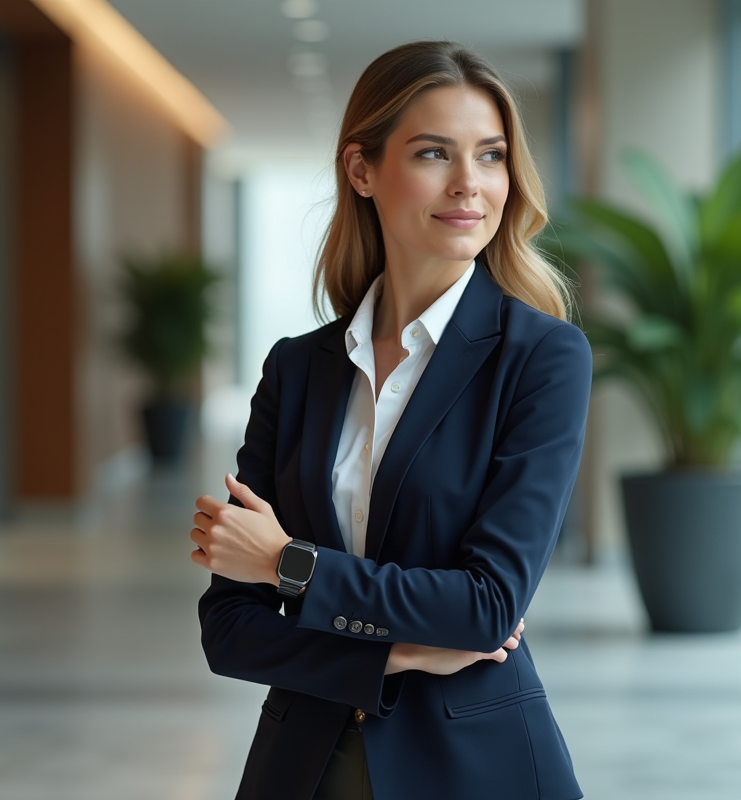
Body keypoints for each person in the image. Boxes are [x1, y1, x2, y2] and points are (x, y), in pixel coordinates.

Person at [190, 40, 590, 800]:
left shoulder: (542, 358)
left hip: (476, 769)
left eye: (492, 155)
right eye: (435, 153)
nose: (469, 183)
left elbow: (486, 608)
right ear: (362, 170)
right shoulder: (297, 368)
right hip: (303, 767)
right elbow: (230, 629)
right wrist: (393, 654)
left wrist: (289, 565)